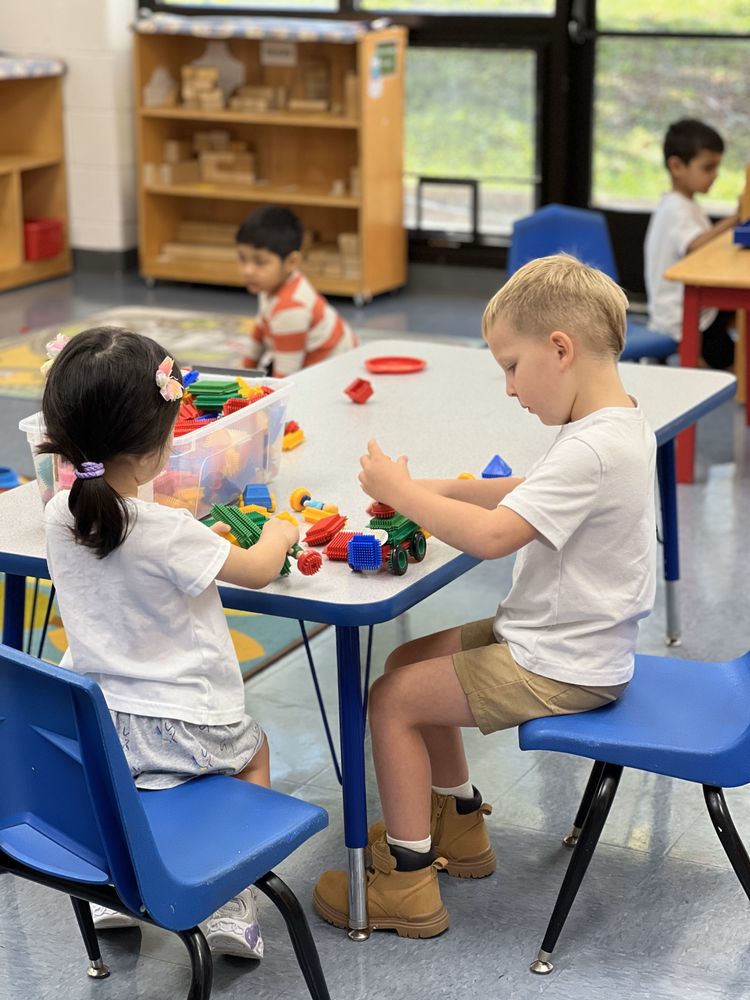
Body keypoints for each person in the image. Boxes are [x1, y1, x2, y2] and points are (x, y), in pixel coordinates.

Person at [313, 254, 657, 938]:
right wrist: (435, 488)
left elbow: (497, 536)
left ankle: (408, 886)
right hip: (564, 642)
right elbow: (525, 493)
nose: (508, 388)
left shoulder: (592, 448)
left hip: (561, 665)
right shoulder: (612, 425)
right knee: (407, 662)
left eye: (511, 365)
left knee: (392, 702)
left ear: (560, 349)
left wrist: (407, 493)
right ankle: (458, 825)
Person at [40, 326, 299, 958]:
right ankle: (230, 901)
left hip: (97, 730)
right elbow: (260, 568)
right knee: (254, 752)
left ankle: (110, 898)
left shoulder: (59, 514)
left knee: (130, 791)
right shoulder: (170, 531)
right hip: (189, 726)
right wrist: (284, 530)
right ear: (162, 446)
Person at [644, 118, 741, 370]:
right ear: (676, 166)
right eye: (708, 168)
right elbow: (696, 246)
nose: (715, 176)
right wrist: (736, 218)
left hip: (697, 311)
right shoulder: (676, 209)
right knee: (732, 361)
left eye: (717, 168)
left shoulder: (686, 205)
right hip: (682, 317)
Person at [235, 205, 358, 377]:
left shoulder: (291, 308)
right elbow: (261, 328)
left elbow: (286, 377)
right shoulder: (272, 284)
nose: (248, 270)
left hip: (336, 374)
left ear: (291, 262)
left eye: (260, 262)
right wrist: (241, 373)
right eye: (242, 258)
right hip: (311, 360)